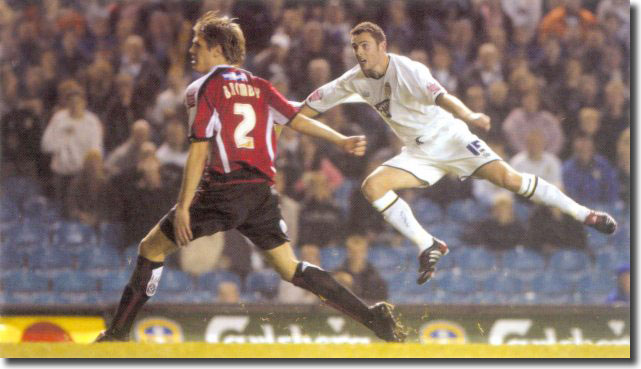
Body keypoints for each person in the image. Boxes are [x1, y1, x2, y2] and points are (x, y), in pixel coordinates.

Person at [96, 12, 405, 343]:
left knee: (151, 248)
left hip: (223, 189)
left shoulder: (203, 88)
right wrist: (339, 139)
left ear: (216, 49)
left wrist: (184, 205)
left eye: (197, 44)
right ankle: (373, 317)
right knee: (290, 268)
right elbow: (296, 118)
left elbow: (199, 151)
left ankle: (117, 334)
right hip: (260, 194)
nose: (191, 50)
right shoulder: (261, 86)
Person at [297, 21, 617, 286]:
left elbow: (443, 97)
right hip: (419, 153)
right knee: (372, 186)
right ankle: (428, 244)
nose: (359, 52)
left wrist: (469, 116)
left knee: (510, 179)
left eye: (365, 44)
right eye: (355, 47)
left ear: (382, 45)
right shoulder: (353, 81)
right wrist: (277, 115)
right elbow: (307, 106)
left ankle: (583, 213)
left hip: (451, 139)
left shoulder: (408, 69)